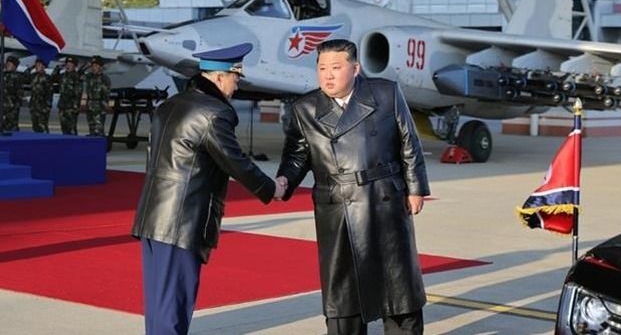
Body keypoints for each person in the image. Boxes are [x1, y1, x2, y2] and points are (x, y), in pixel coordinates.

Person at [131, 42, 286, 335]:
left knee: (158, 305)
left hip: (153, 215)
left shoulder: (170, 105)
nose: (236, 86)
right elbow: (235, 162)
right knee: (173, 307)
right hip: (181, 220)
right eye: (235, 78)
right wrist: (271, 189)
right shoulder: (213, 112)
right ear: (218, 77)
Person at [276, 38, 430, 335]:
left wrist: (415, 188)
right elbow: (297, 156)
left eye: (336, 67)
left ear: (355, 68)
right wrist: (284, 181)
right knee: (343, 295)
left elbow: (409, 141)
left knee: (398, 289)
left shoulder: (385, 93)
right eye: (322, 68)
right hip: (338, 207)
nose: (328, 75)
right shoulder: (305, 108)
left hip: (384, 200)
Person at [53, 56, 82, 135]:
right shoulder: (63, 76)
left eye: (71, 64)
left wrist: (76, 106)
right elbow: (53, 77)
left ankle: (73, 145)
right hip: (62, 105)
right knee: (64, 127)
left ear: (74, 66)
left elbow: (78, 93)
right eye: (67, 64)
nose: (68, 66)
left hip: (71, 106)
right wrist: (58, 68)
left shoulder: (76, 77)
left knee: (72, 128)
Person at [83, 55, 111, 136]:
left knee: (99, 129)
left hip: (99, 106)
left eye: (96, 66)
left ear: (101, 67)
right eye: (92, 66)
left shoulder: (105, 79)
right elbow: (79, 75)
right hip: (90, 105)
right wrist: (87, 65)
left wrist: (104, 108)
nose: (93, 67)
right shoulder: (89, 77)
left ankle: (101, 146)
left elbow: (106, 95)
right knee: (91, 129)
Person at [27, 59, 53, 133]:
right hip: (33, 105)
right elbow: (24, 76)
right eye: (36, 65)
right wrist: (30, 68)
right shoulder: (33, 76)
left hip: (43, 106)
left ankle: (46, 142)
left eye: (39, 65)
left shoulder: (47, 78)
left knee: (43, 126)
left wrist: (47, 107)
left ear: (43, 67)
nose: (37, 66)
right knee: (35, 126)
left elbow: (49, 93)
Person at [1, 55, 24, 131]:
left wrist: (16, 106)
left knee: (12, 124)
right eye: (7, 63)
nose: (7, 65)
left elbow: (19, 92)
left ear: (15, 66)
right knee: (4, 124)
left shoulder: (17, 77)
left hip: (12, 105)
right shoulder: (4, 75)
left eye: (10, 64)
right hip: (4, 104)